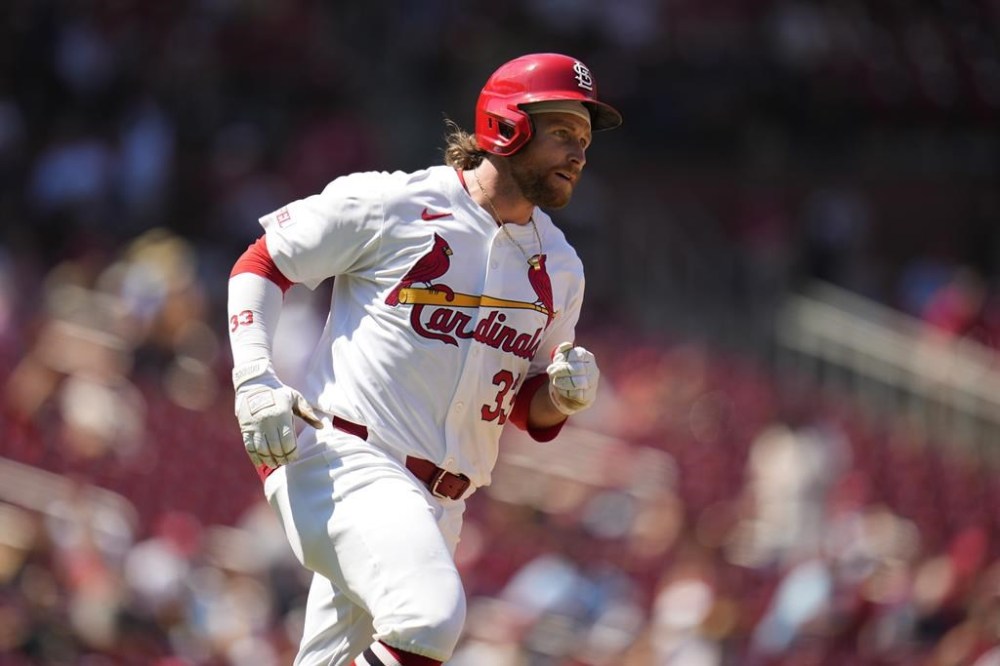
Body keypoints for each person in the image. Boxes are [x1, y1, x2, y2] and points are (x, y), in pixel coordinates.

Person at [226, 52, 622, 666]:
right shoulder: (395, 203)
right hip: (348, 459)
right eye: (564, 132)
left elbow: (526, 407)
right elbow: (263, 261)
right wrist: (254, 376)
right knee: (428, 619)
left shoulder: (562, 267)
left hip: (443, 502)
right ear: (507, 126)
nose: (579, 153)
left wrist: (563, 396)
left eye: (586, 139)